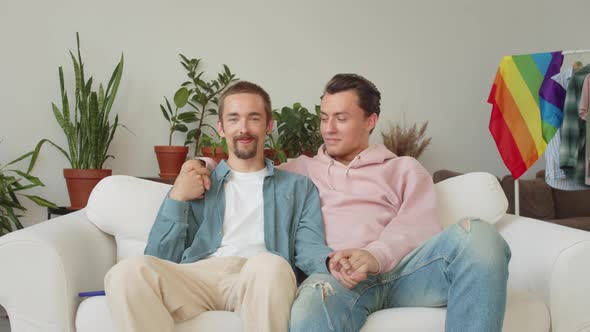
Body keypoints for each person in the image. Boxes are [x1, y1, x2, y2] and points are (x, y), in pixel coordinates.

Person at [188, 73, 512, 332]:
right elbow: (246, 169)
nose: (328, 129)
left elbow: (419, 224)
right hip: (336, 280)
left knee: (480, 236)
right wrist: (201, 164)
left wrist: (373, 255)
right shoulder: (299, 170)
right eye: (324, 117)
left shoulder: (402, 168)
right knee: (313, 302)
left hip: (406, 272)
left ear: (370, 121)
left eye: (341, 118)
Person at [103, 81, 332, 332]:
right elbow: (158, 257)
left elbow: (309, 248)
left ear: (269, 125)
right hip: (199, 276)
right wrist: (177, 197)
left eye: (253, 118)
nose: (243, 128)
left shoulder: (298, 187)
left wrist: (332, 263)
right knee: (126, 272)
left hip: (258, 275)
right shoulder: (196, 180)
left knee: (270, 264)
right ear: (221, 128)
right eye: (234, 119)